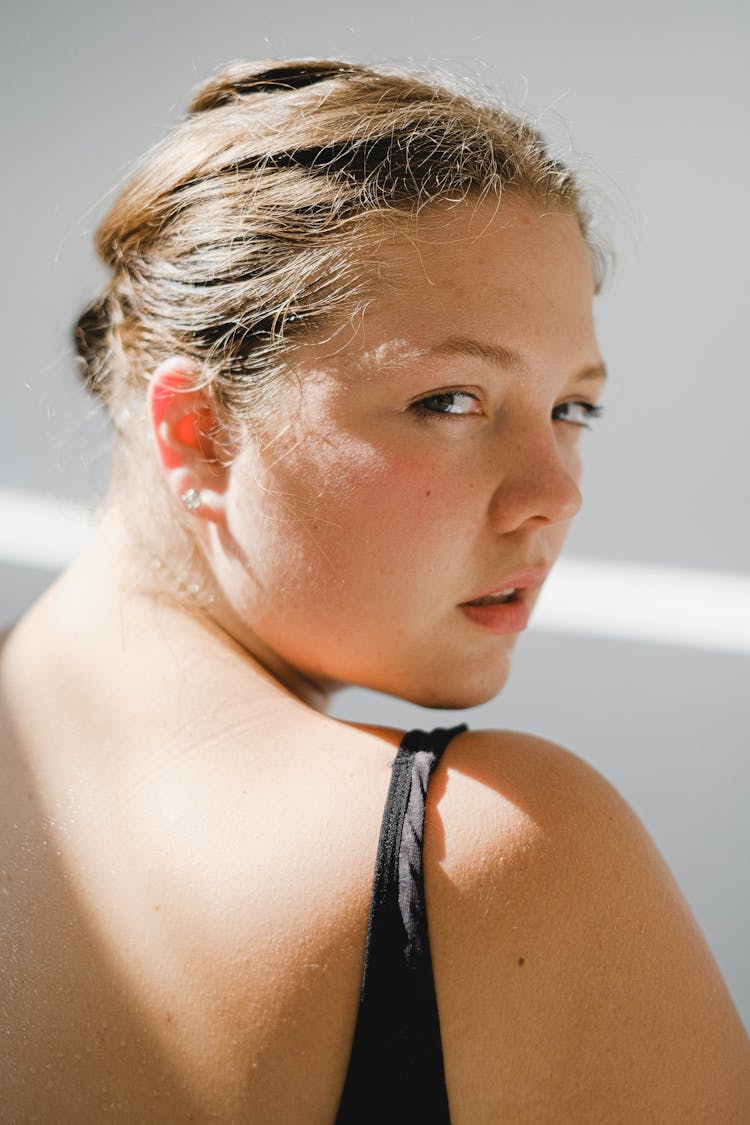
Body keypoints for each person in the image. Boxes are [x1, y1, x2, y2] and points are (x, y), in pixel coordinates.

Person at [1, 58, 748, 1124]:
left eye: (573, 409)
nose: (555, 496)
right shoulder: (496, 859)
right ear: (198, 432)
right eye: (451, 398)